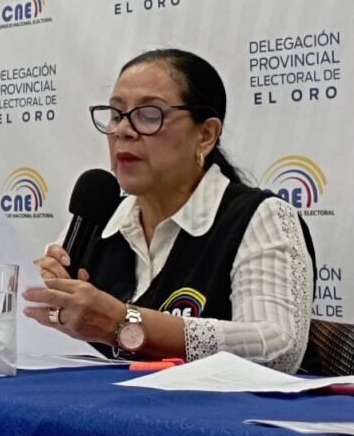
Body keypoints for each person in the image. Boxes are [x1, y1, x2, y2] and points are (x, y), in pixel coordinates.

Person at [22, 49, 315, 373]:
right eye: (117, 114)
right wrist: (40, 301)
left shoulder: (259, 217)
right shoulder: (98, 220)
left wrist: (124, 324)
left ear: (205, 135)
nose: (123, 131)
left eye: (149, 115)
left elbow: (277, 348)